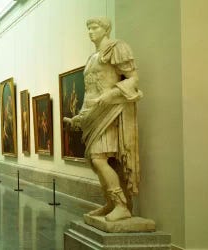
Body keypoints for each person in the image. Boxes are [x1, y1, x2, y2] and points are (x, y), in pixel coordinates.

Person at [63, 17, 142, 222]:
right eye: (88, 28)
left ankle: (121, 205)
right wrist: (78, 118)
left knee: (99, 158)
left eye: (95, 28)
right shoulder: (92, 58)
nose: (90, 32)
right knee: (96, 160)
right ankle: (110, 203)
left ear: (106, 29)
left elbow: (134, 79)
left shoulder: (117, 48)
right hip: (93, 113)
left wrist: (112, 94)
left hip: (109, 111)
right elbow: (90, 91)